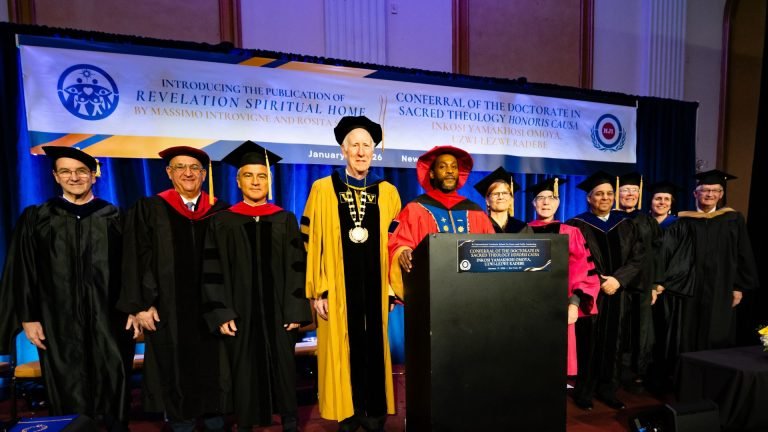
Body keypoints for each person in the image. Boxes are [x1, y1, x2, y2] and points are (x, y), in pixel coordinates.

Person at [0, 146, 133, 430]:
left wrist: (134, 307)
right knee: (65, 382)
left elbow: (132, 268)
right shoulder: (37, 217)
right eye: (66, 171)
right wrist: (28, 317)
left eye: (81, 171)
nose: (74, 177)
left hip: (110, 318)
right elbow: (23, 270)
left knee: (113, 378)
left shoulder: (115, 216)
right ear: (55, 176)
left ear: (94, 176)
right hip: (57, 321)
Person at [201, 141, 312, 432]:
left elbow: (298, 268)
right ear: (238, 181)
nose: (255, 181)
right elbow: (211, 270)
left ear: (269, 181)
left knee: (284, 369)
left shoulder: (284, 219)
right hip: (239, 312)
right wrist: (221, 313)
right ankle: (246, 423)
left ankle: (289, 422)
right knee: (243, 370)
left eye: (261, 176)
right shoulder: (222, 221)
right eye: (248, 175)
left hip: (279, 313)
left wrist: (295, 310)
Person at [118, 146, 230, 432]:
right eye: (180, 167)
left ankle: (216, 419)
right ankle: (181, 423)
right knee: (174, 366)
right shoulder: (150, 208)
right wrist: (142, 305)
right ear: (169, 172)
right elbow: (136, 257)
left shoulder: (220, 211)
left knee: (215, 365)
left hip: (212, 309)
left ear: (203, 175)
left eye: (194, 168)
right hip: (168, 308)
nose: (187, 173)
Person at [301, 116, 402, 432]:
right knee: (341, 349)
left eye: (366, 146)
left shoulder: (388, 192)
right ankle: (347, 412)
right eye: (354, 145)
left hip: (376, 288)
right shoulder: (322, 189)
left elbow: (395, 245)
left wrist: (391, 289)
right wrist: (319, 290)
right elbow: (311, 242)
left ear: (374, 151)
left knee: (374, 345)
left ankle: (374, 413)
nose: (360, 152)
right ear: (343, 150)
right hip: (336, 288)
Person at [566, 170, 644, 411]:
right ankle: (584, 391)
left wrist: (618, 280)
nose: (605, 198)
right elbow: (574, 261)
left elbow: (638, 258)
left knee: (615, 341)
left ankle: (609, 389)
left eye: (609, 193)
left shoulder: (627, 224)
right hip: (589, 294)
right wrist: (599, 281)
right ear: (589, 198)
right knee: (588, 342)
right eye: (599, 194)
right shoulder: (576, 225)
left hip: (618, 293)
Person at [674, 169, 758, 352]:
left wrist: (738, 287)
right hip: (689, 287)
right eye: (705, 190)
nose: (710, 194)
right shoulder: (682, 220)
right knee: (687, 330)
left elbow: (743, 253)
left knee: (717, 330)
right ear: (695, 193)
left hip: (722, 286)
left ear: (721, 194)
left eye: (715, 190)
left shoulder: (733, 219)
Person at [389, 145, 495, 287]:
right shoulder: (415, 209)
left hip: (472, 290)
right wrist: (403, 252)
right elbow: (397, 243)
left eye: (454, 167)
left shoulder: (476, 213)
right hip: (429, 289)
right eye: (442, 167)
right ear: (432, 174)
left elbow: (491, 252)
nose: (450, 171)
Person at [525, 177, 600, 376]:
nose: (546, 202)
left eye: (551, 198)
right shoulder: (523, 232)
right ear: (533, 203)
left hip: (561, 304)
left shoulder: (571, 232)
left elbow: (582, 270)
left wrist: (573, 304)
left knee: (558, 358)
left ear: (558, 203)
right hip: (528, 305)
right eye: (540, 198)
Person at [645, 180, 695, 390]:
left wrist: (660, 285)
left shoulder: (679, 225)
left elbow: (683, 258)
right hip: (642, 288)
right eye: (658, 198)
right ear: (651, 201)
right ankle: (640, 373)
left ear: (672, 203)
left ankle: (661, 376)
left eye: (666, 199)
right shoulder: (641, 223)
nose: (662, 202)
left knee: (663, 333)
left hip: (666, 292)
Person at [615, 172, 660, 393]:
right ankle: (616, 370)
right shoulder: (610, 220)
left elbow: (657, 253)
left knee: (641, 329)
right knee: (619, 327)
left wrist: (655, 285)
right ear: (617, 194)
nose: (630, 194)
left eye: (634, 190)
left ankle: (637, 372)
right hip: (619, 285)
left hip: (643, 284)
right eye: (625, 190)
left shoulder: (647, 220)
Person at [473, 166, 527, 233]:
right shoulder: (478, 227)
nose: (500, 197)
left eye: (505, 193)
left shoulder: (523, 228)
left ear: (511, 199)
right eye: (495, 194)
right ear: (487, 200)